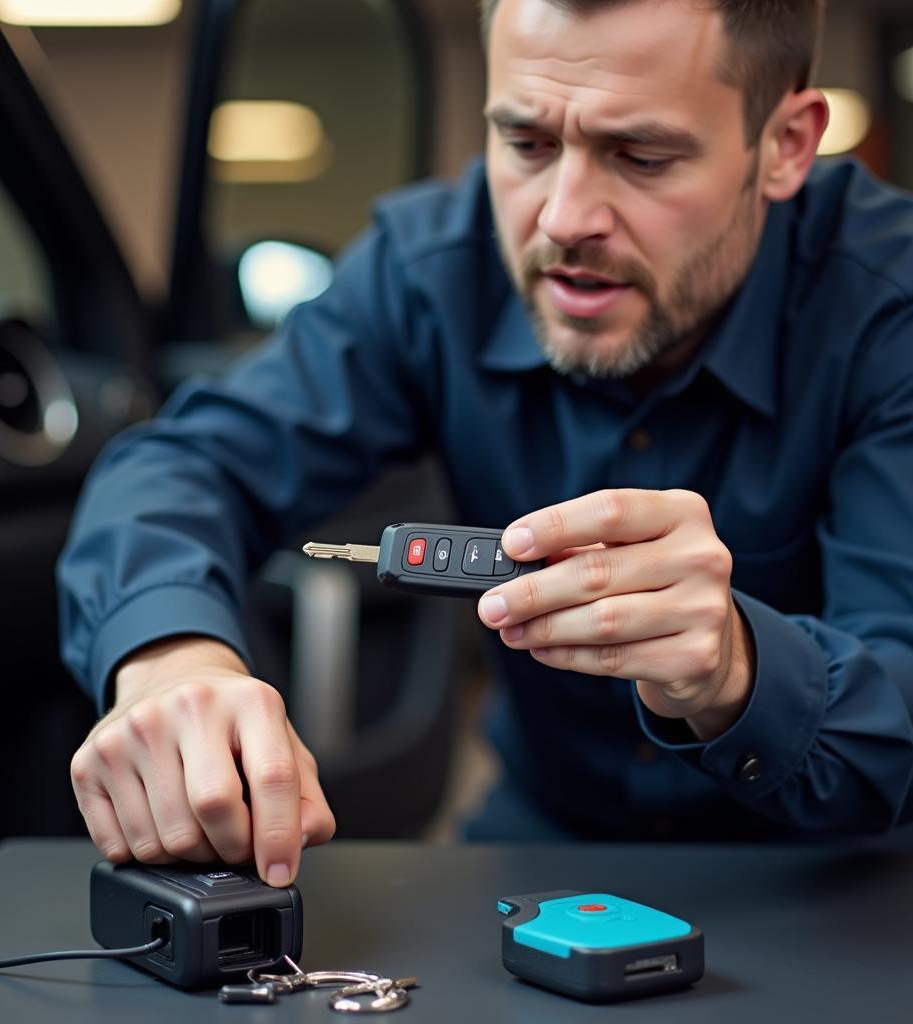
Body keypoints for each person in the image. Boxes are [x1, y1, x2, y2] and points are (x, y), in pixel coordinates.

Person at [58, 0, 913, 889]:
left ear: (785, 145)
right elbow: (184, 465)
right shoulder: (432, 270)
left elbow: (903, 702)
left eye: (641, 156)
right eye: (527, 144)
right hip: (549, 842)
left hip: (840, 866)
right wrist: (168, 660)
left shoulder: (889, 315)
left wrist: (736, 666)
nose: (563, 219)